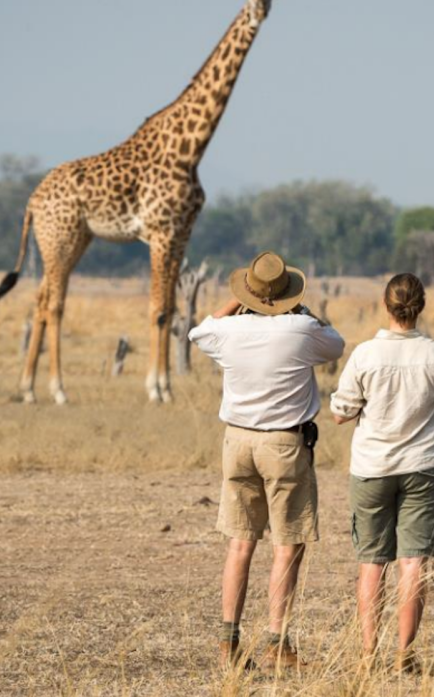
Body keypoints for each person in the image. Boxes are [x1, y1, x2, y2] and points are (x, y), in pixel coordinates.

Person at [189, 250, 345, 670]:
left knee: (240, 544)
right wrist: (303, 310)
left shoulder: (230, 331)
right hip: (284, 445)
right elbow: (336, 343)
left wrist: (232, 306)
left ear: (249, 294)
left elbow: (199, 332)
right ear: (288, 294)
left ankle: (228, 642)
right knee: (286, 546)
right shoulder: (302, 328)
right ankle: (278, 643)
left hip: (237, 443)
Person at [330, 273, 434, 673]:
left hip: (372, 467)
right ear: (420, 305)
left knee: (372, 562)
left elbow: (341, 413)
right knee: (414, 563)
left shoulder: (365, 355)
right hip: (424, 466)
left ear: (385, 305)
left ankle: (367, 653)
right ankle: (404, 655)